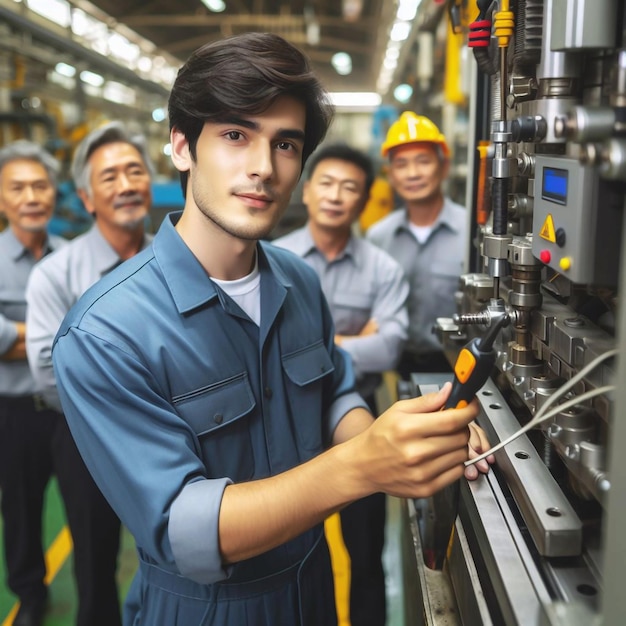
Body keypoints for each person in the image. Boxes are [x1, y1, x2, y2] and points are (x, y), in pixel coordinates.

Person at [51, 33, 493, 626]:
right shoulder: (105, 332)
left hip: (312, 591)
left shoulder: (298, 281)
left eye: (285, 144)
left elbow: (332, 393)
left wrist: (396, 440)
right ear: (182, 146)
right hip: (205, 609)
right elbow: (184, 529)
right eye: (235, 135)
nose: (263, 167)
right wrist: (363, 465)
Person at [24, 121, 155, 626]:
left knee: (182, 559)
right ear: (86, 196)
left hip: (179, 440)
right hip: (89, 444)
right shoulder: (56, 275)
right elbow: (45, 368)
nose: (125, 185)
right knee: (95, 563)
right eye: (109, 177)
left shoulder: (181, 261)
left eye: (134, 171)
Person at [273, 143, 409, 625]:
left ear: (365, 198)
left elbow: (389, 348)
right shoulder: (271, 260)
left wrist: (305, 348)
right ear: (305, 191)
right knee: (288, 549)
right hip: (284, 417)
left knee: (365, 550)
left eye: (349, 187)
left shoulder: (382, 269)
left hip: (358, 414)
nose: (335, 196)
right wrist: (354, 340)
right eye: (325, 183)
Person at [0, 141, 66, 626]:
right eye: (17, 187)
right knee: (21, 511)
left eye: (39, 185)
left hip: (70, 410)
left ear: (54, 193)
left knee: (91, 507)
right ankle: (31, 595)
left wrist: (16, 333)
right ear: (2, 199)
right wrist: (51, 333)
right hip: (14, 410)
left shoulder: (70, 258)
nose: (31, 197)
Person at [367, 112, 468, 378]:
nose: (412, 174)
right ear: (390, 175)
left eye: (423, 161)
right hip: (399, 366)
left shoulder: (471, 232)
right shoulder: (379, 236)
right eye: (401, 164)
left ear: (443, 167)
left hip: (459, 367)